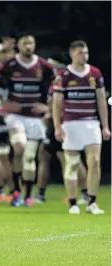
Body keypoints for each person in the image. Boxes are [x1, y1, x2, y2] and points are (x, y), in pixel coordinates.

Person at [0, 35, 55, 207]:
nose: (28, 46)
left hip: (35, 117)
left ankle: (27, 196)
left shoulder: (44, 66)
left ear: (35, 45)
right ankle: (16, 190)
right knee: (19, 146)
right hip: (16, 116)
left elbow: (57, 87)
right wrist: (0, 102)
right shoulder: (10, 63)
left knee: (30, 157)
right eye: (25, 43)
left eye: (31, 43)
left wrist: (48, 108)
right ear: (19, 46)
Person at [52, 40, 110, 215]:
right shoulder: (64, 75)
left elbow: (101, 101)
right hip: (71, 124)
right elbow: (56, 103)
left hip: (91, 122)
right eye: (80, 53)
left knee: (95, 162)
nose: (83, 56)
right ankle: (73, 202)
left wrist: (105, 126)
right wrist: (57, 126)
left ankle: (92, 201)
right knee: (72, 164)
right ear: (72, 54)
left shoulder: (95, 73)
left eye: (85, 53)